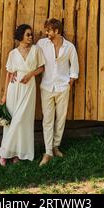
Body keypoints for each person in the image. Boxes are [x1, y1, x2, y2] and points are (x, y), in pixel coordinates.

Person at [0, 24, 45, 166]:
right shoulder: (13, 53)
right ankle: (12, 154)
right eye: (28, 35)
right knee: (12, 121)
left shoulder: (36, 50)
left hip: (28, 88)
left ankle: (10, 152)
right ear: (21, 37)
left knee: (22, 120)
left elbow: (42, 68)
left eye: (31, 35)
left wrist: (30, 74)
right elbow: (9, 74)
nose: (31, 37)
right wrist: (5, 94)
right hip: (14, 88)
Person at [37, 18, 79, 166]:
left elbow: (74, 68)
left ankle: (56, 146)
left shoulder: (69, 47)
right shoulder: (42, 44)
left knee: (60, 119)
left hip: (62, 88)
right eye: (46, 30)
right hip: (47, 87)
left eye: (49, 30)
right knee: (47, 120)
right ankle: (47, 152)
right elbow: (34, 59)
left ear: (57, 31)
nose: (46, 32)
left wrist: (69, 83)